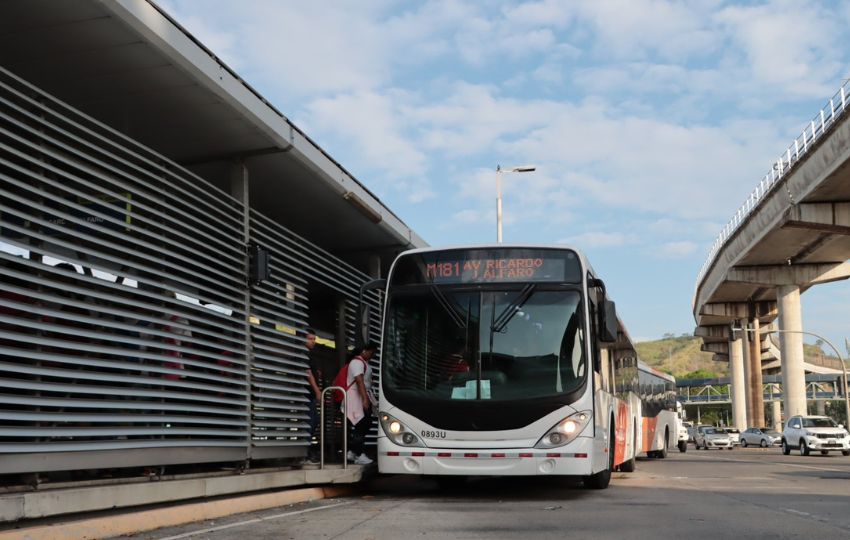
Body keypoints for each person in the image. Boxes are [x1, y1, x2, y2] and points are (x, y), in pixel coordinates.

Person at [344, 341, 378, 465]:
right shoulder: (357, 362)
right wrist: (364, 399)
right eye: (372, 353)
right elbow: (359, 381)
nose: (372, 356)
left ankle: (353, 452)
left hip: (361, 396)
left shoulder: (363, 363)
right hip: (356, 397)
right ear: (365, 350)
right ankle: (358, 454)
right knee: (363, 423)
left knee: (364, 423)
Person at [304, 328, 321, 464]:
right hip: (306, 394)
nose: (313, 341)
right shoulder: (303, 354)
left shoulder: (309, 355)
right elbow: (308, 374)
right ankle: (305, 453)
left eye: (314, 339)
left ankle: (307, 451)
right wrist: (317, 391)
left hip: (309, 395)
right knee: (310, 422)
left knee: (314, 421)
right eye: (310, 338)